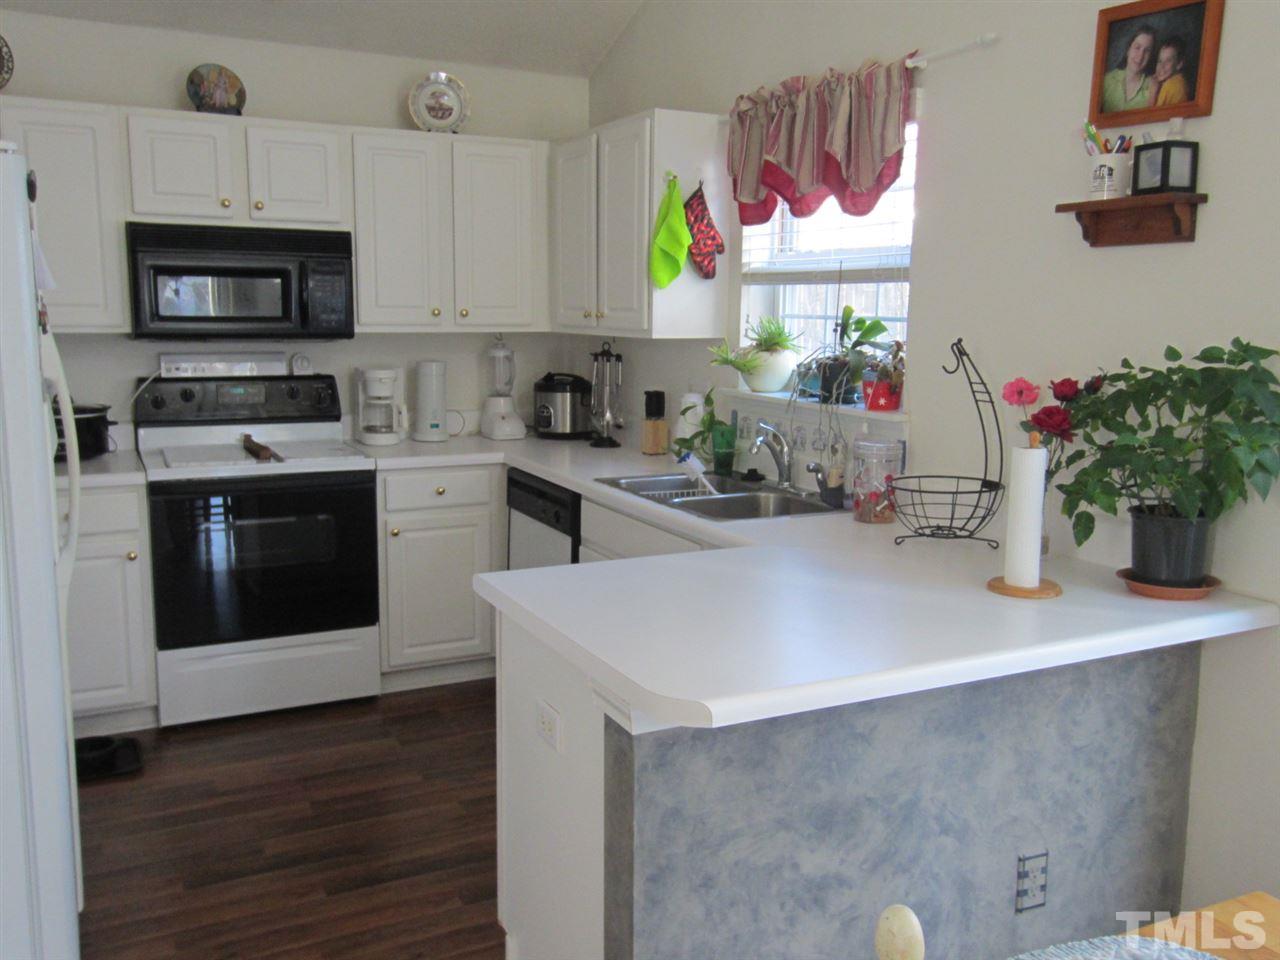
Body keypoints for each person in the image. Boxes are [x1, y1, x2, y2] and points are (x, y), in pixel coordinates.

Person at [1101, 23, 1156, 113]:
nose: (1140, 55)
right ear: (1128, 49)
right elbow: (1089, 123)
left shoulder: (1153, 88)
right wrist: (1091, 128)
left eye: (1147, 51)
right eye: (1137, 47)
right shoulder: (1107, 80)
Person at [1149, 35, 1190, 106]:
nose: (1161, 66)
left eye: (1168, 61)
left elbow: (1152, 116)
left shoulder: (1171, 85)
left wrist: (1153, 93)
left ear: (1179, 64)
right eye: (1160, 61)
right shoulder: (1176, 81)